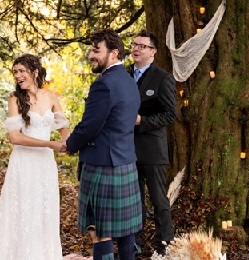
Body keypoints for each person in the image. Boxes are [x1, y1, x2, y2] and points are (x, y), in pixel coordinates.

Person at [0, 53, 70, 260]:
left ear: (35, 72)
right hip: (24, 162)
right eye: (15, 72)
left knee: (44, 209)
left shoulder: (50, 97)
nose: (18, 76)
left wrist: (67, 142)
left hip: (45, 164)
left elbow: (63, 127)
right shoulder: (15, 99)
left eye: (22, 71)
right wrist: (50, 144)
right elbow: (15, 137)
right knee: (22, 210)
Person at [64, 29, 142, 260]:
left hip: (101, 164)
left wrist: (70, 144)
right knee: (126, 230)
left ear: (114, 53)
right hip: (126, 161)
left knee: (99, 230)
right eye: (90, 50)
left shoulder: (103, 84)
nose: (91, 55)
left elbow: (90, 126)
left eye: (97, 50)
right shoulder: (129, 81)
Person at [129, 29, 176, 256]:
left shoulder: (163, 78)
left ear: (153, 52)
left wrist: (142, 120)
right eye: (134, 44)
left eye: (142, 46)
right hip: (126, 149)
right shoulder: (123, 76)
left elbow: (170, 114)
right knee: (133, 200)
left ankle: (164, 245)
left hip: (153, 149)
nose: (136, 48)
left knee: (159, 200)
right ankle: (134, 244)